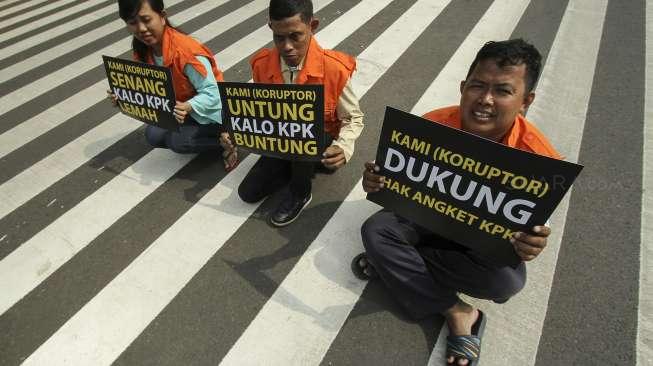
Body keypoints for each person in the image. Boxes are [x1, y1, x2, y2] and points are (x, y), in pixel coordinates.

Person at [355, 39, 561, 366]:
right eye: (478, 86)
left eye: (503, 91)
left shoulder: (540, 158)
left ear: (526, 101)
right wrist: (375, 182)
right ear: (463, 87)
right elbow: (393, 187)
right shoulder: (429, 124)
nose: (485, 100)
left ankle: (396, 266)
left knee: (506, 283)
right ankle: (459, 313)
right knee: (376, 230)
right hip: (424, 221)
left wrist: (532, 241)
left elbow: (535, 225)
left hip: (477, 242)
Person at [220, 0, 364, 227]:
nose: (286, 46)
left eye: (295, 36)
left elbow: (352, 118)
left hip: (319, 137)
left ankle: (301, 192)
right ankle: (295, 167)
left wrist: (343, 147)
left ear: (312, 26)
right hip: (280, 138)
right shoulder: (261, 65)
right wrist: (234, 132)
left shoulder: (334, 68)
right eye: (279, 37)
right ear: (271, 28)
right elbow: (259, 110)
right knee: (248, 193)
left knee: (303, 136)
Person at [109, 0, 236, 169]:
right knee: (153, 135)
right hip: (180, 111)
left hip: (212, 113)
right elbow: (149, 89)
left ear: (162, 17)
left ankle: (229, 139)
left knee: (178, 142)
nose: (141, 29)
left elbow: (214, 93)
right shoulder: (143, 49)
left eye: (146, 20)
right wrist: (124, 97)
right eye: (133, 23)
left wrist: (189, 106)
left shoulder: (186, 51)